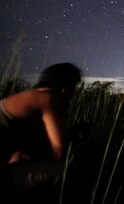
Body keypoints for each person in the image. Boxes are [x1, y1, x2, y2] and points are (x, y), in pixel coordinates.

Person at [0, 62, 82, 201]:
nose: (74, 93)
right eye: (74, 87)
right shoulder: (49, 99)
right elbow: (59, 151)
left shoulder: (28, 97)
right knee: (69, 172)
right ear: (64, 87)